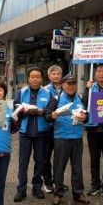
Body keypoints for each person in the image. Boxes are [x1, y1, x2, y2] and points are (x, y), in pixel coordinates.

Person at [45, 74, 90, 205]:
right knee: (59, 167)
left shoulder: (80, 98)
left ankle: (78, 193)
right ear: (63, 85)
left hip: (77, 138)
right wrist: (52, 115)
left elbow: (86, 115)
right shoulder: (56, 98)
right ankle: (58, 193)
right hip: (61, 138)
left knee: (77, 167)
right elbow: (47, 115)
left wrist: (85, 118)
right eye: (68, 84)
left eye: (73, 84)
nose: (71, 86)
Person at [13, 68, 51, 201]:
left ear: (41, 78)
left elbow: (50, 109)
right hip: (25, 132)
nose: (35, 79)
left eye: (38, 76)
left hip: (41, 132)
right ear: (28, 78)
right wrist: (24, 111)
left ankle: (37, 188)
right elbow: (15, 108)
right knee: (23, 162)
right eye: (32, 76)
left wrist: (42, 111)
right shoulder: (22, 92)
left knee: (40, 161)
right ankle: (21, 189)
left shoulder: (47, 92)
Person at [82, 64, 103, 196]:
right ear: (95, 74)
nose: (101, 73)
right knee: (94, 159)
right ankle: (95, 185)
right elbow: (84, 103)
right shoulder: (91, 88)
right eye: (99, 71)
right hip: (93, 129)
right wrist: (87, 88)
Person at [42, 64, 63, 193]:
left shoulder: (66, 88)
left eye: (58, 74)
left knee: (59, 158)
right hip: (48, 128)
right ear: (49, 76)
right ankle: (48, 182)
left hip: (62, 128)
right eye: (53, 74)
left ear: (61, 75)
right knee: (45, 157)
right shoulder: (44, 90)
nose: (56, 76)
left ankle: (58, 181)